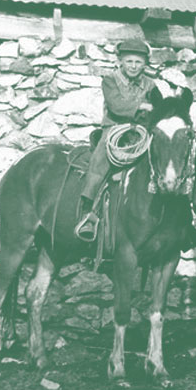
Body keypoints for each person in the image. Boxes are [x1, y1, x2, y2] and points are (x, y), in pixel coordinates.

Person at [74, 39, 156, 242]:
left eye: (138, 62)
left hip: (141, 132)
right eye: (129, 61)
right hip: (114, 130)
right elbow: (117, 106)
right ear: (121, 61)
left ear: (145, 64)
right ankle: (89, 211)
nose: (134, 66)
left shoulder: (151, 84)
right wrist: (142, 106)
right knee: (100, 161)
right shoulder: (110, 80)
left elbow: (156, 107)